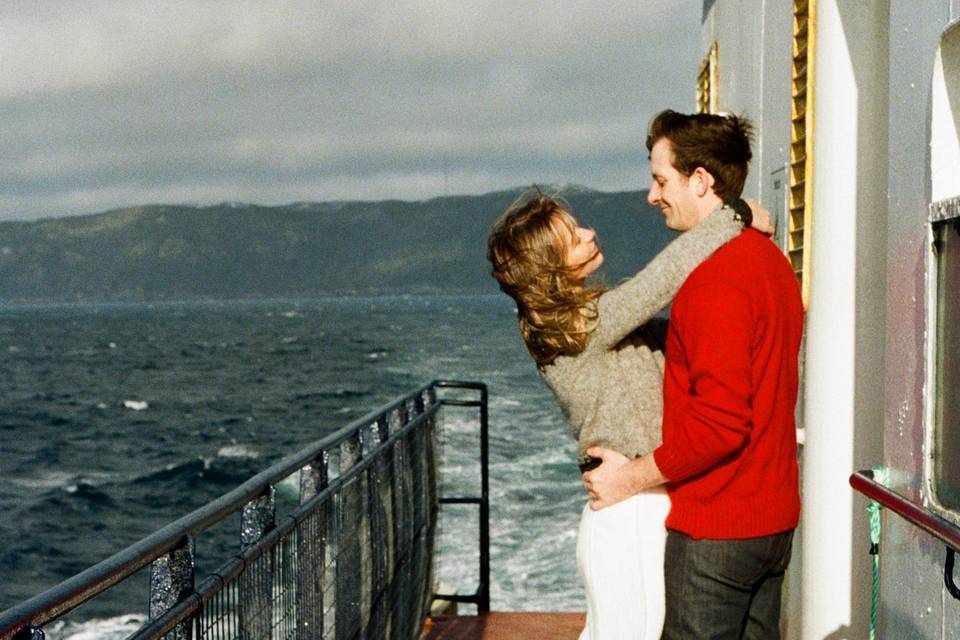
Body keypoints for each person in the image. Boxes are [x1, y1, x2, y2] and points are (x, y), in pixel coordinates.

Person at [487, 187, 768, 639]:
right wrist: (732, 216)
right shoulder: (576, 330)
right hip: (631, 516)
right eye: (574, 236)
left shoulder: (590, 323)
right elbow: (658, 282)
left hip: (639, 506)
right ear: (551, 269)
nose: (590, 232)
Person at [583, 110, 804, 639]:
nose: (652, 196)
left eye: (661, 180)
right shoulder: (771, 261)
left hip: (717, 534)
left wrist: (626, 478)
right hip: (772, 523)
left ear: (700, 180)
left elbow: (719, 425)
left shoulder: (712, 283)